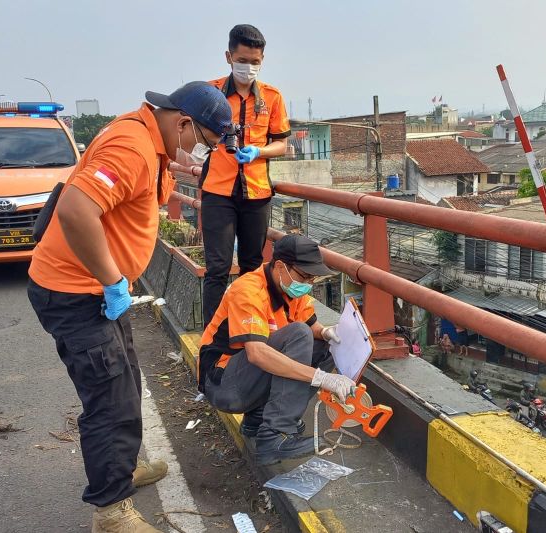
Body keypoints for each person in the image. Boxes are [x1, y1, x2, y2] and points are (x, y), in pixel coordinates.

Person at [28, 82, 232, 532]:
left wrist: (187, 168)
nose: (198, 152)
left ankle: (120, 467)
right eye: (201, 141)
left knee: (127, 380)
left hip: (95, 292)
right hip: (76, 291)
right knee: (109, 399)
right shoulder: (132, 147)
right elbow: (76, 210)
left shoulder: (151, 140)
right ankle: (112, 512)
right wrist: (112, 280)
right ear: (182, 123)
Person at [198, 234, 355, 465]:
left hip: (246, 379)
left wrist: (326, 333)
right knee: (298, 335)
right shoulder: (248, 290)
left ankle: (259, 420)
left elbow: (311, 325)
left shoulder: (290, 288)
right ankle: (274, 435)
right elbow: (257, 353)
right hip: (223, 383)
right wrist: (321, 378)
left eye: (313, 279)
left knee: (326, 347)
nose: (309, 284)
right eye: (306, 276)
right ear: (281, 266)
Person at [200, 24, 291, 326]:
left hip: (256, 192)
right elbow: (190, 131)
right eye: (242, 60)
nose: (248, 67)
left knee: (253, 265)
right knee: (217, 267)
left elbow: (281, 144)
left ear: (262, 60)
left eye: (255, 62)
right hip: (218, 192)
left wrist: (257, 151)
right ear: (228, 56)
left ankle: (251, 327)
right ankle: (213, 336)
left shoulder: (272, 97)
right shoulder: (210, 92)